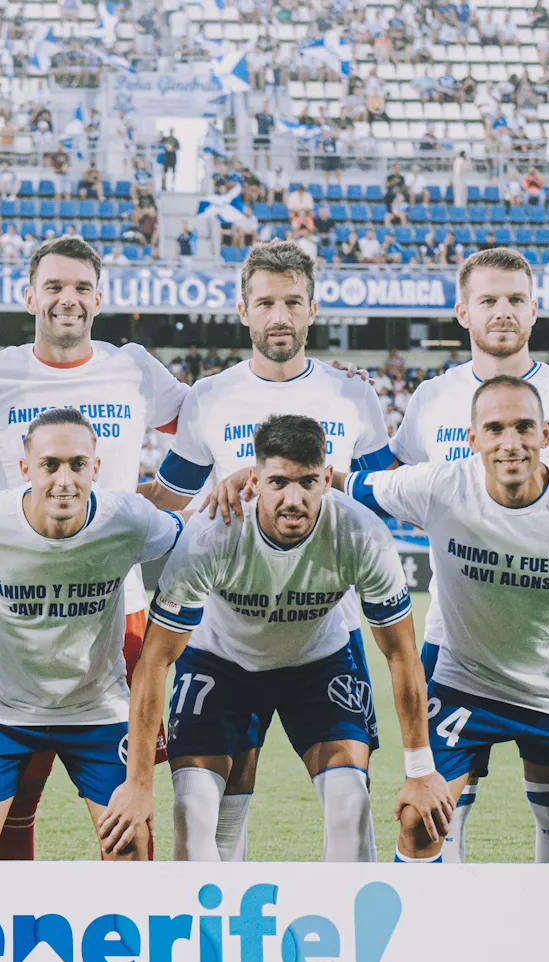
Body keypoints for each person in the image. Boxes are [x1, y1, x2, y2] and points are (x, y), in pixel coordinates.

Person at [146, 240, 393, 856]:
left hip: (324, 628)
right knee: (218, 810)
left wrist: (293, 482)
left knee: (351, 808)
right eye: (265, 303)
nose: (279, 316)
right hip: (228, 630)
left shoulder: (353, 394)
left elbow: (381, 500)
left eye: (292, 302)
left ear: (313, 309)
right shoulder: (209, 396)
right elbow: (170, 501)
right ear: (243, 310)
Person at [383, 247, 549, 863]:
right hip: (456, 642)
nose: (503, 311)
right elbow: (393, 479)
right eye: (488, 299)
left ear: (534, 310)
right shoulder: (431, 398)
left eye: (516, 299)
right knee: (441, 810)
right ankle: (445, 917)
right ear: (462, 312)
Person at [342, 374, 549, 865]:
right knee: (419, 822)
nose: (511, 443)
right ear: (472, 438)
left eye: (524, 427)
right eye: (495, 429)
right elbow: (338, 483)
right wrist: (251, 478)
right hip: (467, 683)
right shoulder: (439, 485)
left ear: (546, 434)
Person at [0, 234, 189, 859]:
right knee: (14, 804)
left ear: (99, 298)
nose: (68, 299)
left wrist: (157, 498)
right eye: (54, 286)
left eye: (82, 287)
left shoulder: (133, 367)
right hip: (20, 619)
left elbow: (202, 429)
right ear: (29, 296)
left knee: (128, 814)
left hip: (120, 613)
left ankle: (125, 919)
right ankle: (7, 916)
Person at [130, 417, 452, 861]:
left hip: (317, 664)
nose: (293, 500)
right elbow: (154, 660)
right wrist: (138, 785)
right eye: (278, 482)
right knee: (194, 810)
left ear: (327, 479)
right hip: (220, 662)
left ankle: (341, 908)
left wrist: (419, 770)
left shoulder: (360, 534)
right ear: (254, 479)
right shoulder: (211, 533)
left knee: (350, 805)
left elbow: (400, 654)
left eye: (307, 482)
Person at [0, 408, 183, 861]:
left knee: (129, 846)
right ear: (25, 469)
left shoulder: (129, 520)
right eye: (50, 465)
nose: (64, 480)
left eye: (77, 464)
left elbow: (196, 538)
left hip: (96, 708)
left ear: (95, 468)